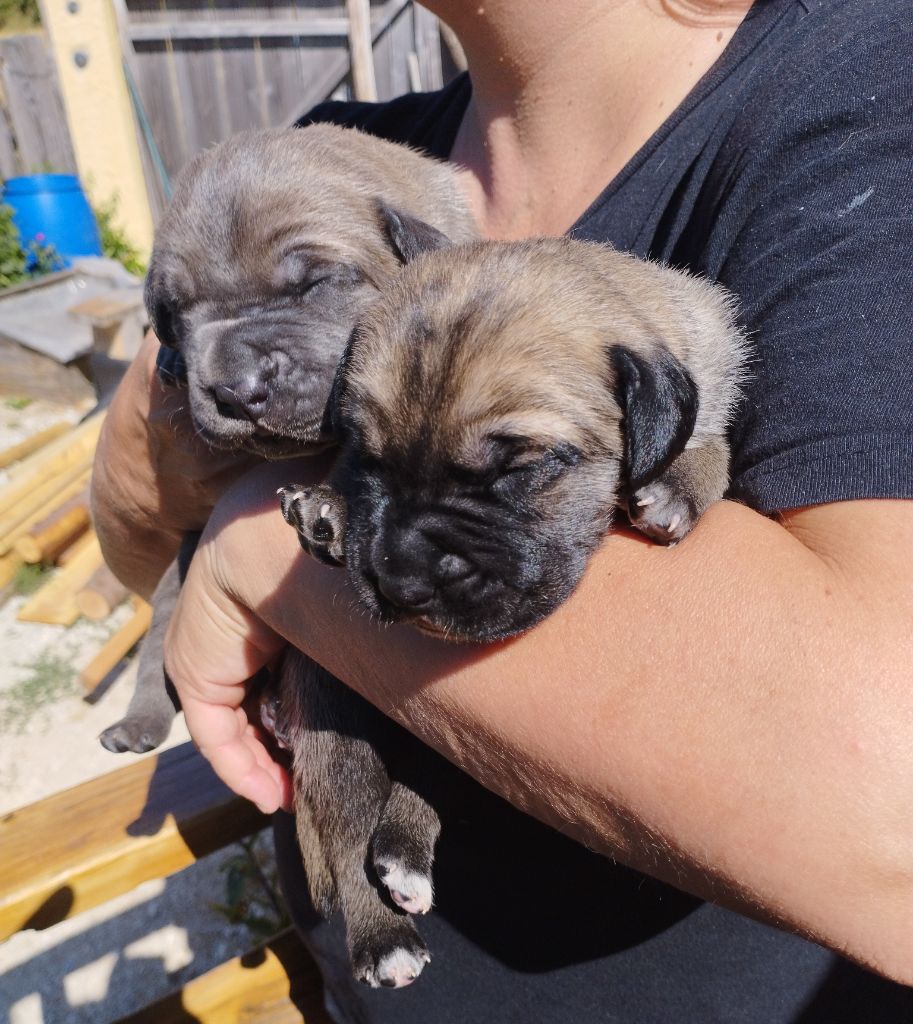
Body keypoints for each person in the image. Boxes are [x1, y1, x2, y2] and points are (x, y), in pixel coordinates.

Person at [92, 0, 913, 1020]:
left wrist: (265, 544)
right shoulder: (342, 150)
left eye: (314, 284)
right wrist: (183, 401)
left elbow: (890, 811)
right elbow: (138, 552)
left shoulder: (865, 91)